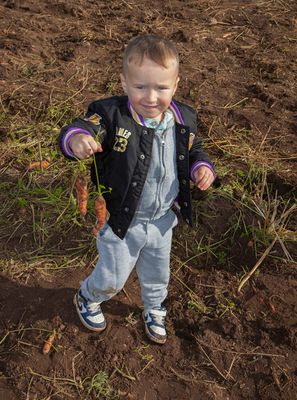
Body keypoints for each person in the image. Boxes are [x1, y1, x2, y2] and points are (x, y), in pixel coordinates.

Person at [59, 34, 216, 344]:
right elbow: (84, 126)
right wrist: (77, 139)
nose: (151, 97)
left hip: (161, 219)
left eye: (161, 87)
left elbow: (194, 148)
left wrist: (202, 167)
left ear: (176, 85)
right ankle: (89, 295)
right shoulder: (111, 115)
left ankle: (155, 306)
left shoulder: (181, 119)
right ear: (124, 81)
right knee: (113, 276)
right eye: (140, 87)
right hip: (120, 219)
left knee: (159, 272)